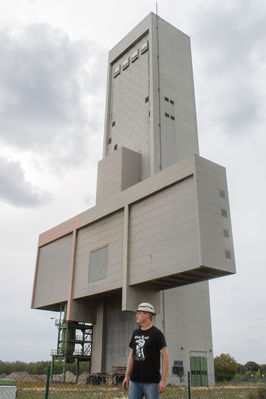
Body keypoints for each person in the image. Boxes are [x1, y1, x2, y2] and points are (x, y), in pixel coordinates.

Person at [122, 302, 169, 399]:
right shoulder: (136, 333)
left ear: (146, 315)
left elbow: (165, 356)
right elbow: (131, 355)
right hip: (134, 381)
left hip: (151, 382)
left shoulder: (157, 334)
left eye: (139, 313)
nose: (136, 316)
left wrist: (163, 380)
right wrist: (127, 376)